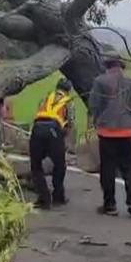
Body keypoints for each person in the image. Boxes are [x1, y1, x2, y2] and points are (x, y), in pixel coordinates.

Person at [89, 57, 131, 218]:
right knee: (130, 168)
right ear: (122, 67)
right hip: (128, 132)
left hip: (107, 132)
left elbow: (93, 106)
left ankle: (110, 204)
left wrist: (92, 126)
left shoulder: (100, 81)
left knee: (108, 168)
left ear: (107, 67)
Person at [29, 78, 75, 209]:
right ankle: (58, 195)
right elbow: (70, 122)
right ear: (68, 90)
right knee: (60, 164)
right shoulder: (68, 101)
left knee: (36, 166)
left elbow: (37, 114)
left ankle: (44, 198)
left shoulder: (46, 98)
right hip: (54, 130)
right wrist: (62, 138)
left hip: (37, 129)